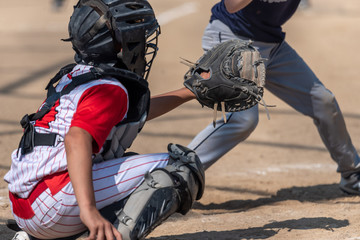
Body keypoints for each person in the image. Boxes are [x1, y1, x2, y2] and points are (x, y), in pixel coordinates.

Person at [4, 0, 204, 239]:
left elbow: (134, 113)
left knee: (127, 165)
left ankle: (33, 237)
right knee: (179, 169)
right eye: (135, 30)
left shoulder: (77, 75)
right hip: (54, 203)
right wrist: (88, 211)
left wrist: (189, 92)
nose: (141, 38)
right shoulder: (109, 88)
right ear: (114, 41)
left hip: (28, 207)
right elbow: (76, 138)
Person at [186, 0, 360, 194]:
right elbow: (231, 5)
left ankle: (352, 174)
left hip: (272, 43)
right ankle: (176, 173)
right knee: (243, 120)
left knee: (322, 100)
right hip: (231, 37)